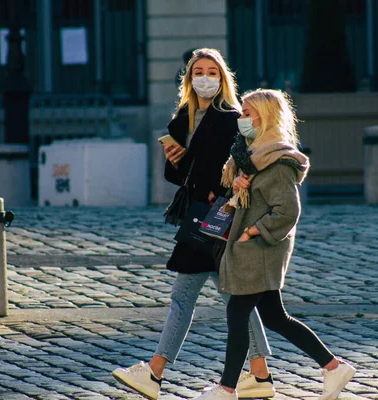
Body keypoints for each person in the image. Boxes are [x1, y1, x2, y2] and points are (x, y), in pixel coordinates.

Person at [112, 49, 275, 400]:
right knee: (236, 296)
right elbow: (177, 176)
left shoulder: (230, 117)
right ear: (189, 79)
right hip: (197, 213)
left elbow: (237, 166)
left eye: (212, 72)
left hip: (215, 216)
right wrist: (175, 159)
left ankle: (154, 372)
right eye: (198, 71)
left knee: (186, 296)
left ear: (222, 78)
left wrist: (220, 192)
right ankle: (260, 374)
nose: (205, 78)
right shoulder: (183, 118)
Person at [194, 89, 356, 400]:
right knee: (274, 317)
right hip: (250, 249)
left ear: (265, 117)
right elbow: (248, 196)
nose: (241, 119)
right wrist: (238, 184)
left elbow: (288, 211)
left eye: (247, 114)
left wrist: (253, 232)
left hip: (259, 250)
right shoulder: (248, 155)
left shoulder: (278, 160)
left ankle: (226, 389)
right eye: (241, 112)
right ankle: (334, 367)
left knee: (238, 316)